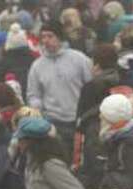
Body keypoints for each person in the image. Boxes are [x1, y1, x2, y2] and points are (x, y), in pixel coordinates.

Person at [26, 20, 93, 148]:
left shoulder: (79, 59)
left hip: (78, 122)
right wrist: (38, 110)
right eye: (43, 37)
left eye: (50, 36)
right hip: (52, 123)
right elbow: (33, 94)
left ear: (60, 37)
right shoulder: (37, 66)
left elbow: (91, 86)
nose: (45, 41)